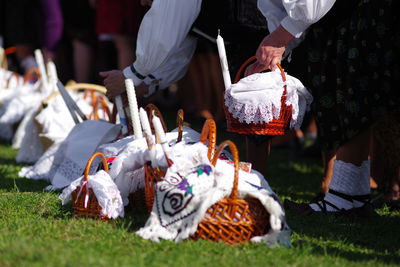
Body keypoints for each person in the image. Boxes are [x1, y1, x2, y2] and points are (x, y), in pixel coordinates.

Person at [244, 0, 399, 215]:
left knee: (353, 94)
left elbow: (311, 5)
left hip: (355, 13)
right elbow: (276, 6)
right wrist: (280, 44)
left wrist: (280, 37)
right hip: (328, 22)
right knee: (341, 97)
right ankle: (350, 197)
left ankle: (347, 197)